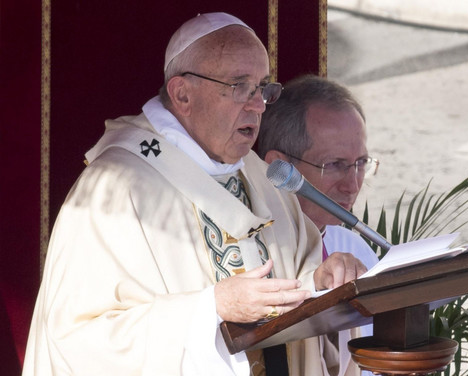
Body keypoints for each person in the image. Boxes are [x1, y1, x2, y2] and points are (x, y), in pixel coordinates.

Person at [22, 13, 366, 376]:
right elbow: (76, 341)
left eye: (262, 87)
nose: (258, 105)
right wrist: (211, 308)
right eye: (239, 86)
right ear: (182, 93)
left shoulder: (262, 179)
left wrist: (322, 284)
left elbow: (299, 283)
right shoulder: (116, 187)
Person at [258, 75, 380, 376]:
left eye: (360, 163)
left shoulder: (354, 247)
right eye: (335, 165)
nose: (352, 185)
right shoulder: (254, 255)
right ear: (280, 168)